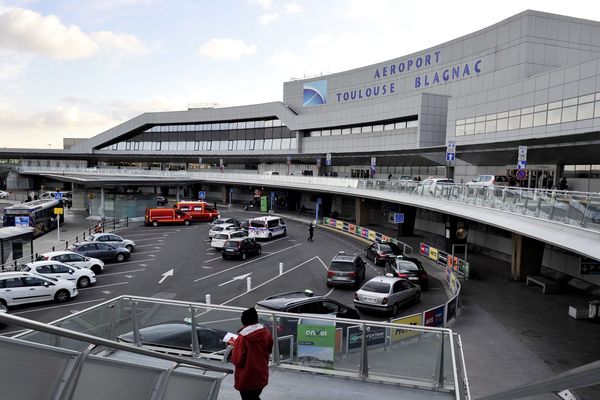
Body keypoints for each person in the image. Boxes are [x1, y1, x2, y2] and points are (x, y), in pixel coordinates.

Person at [231, 307, 273, 400]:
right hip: (261, 375)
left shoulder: (242, 338)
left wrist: (233, 348)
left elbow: (237, 360)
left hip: (246, 378)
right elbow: (269, 349)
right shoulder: (266, 332)